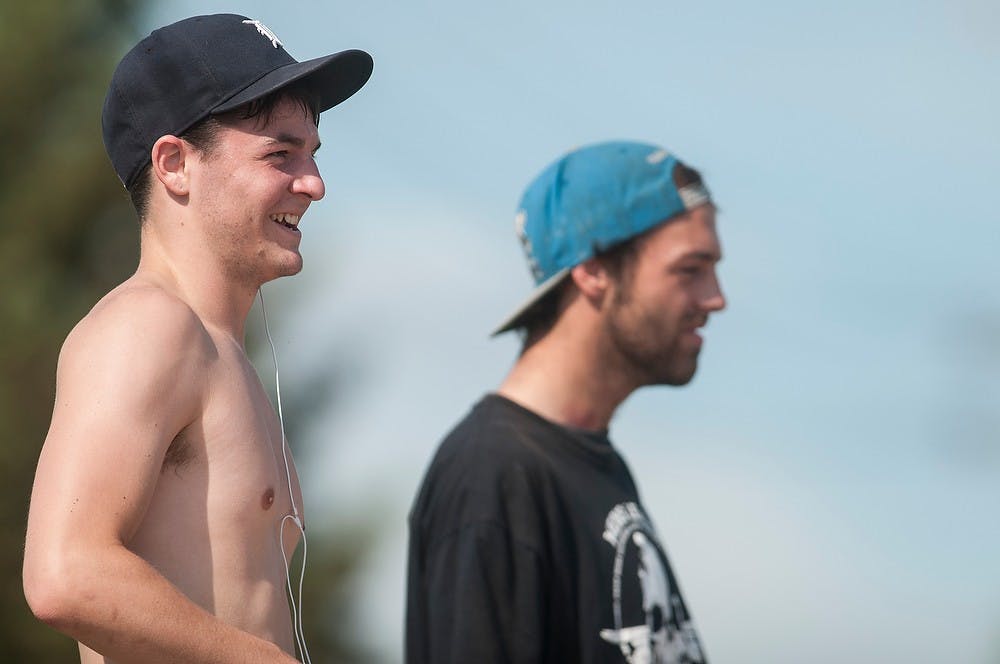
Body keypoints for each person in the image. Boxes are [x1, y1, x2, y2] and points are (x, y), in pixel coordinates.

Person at [22, 14, 372, 664]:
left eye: (313, 154)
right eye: (280, 154)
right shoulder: (147, 327)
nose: (314, 183)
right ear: (176, 164)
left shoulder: (220, 352)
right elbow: (64, 572)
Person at [406, 141, 725, 664]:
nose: (716, 298)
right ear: (593, 271)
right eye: (690, 269)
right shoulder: (494, 474)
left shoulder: (588, 460)